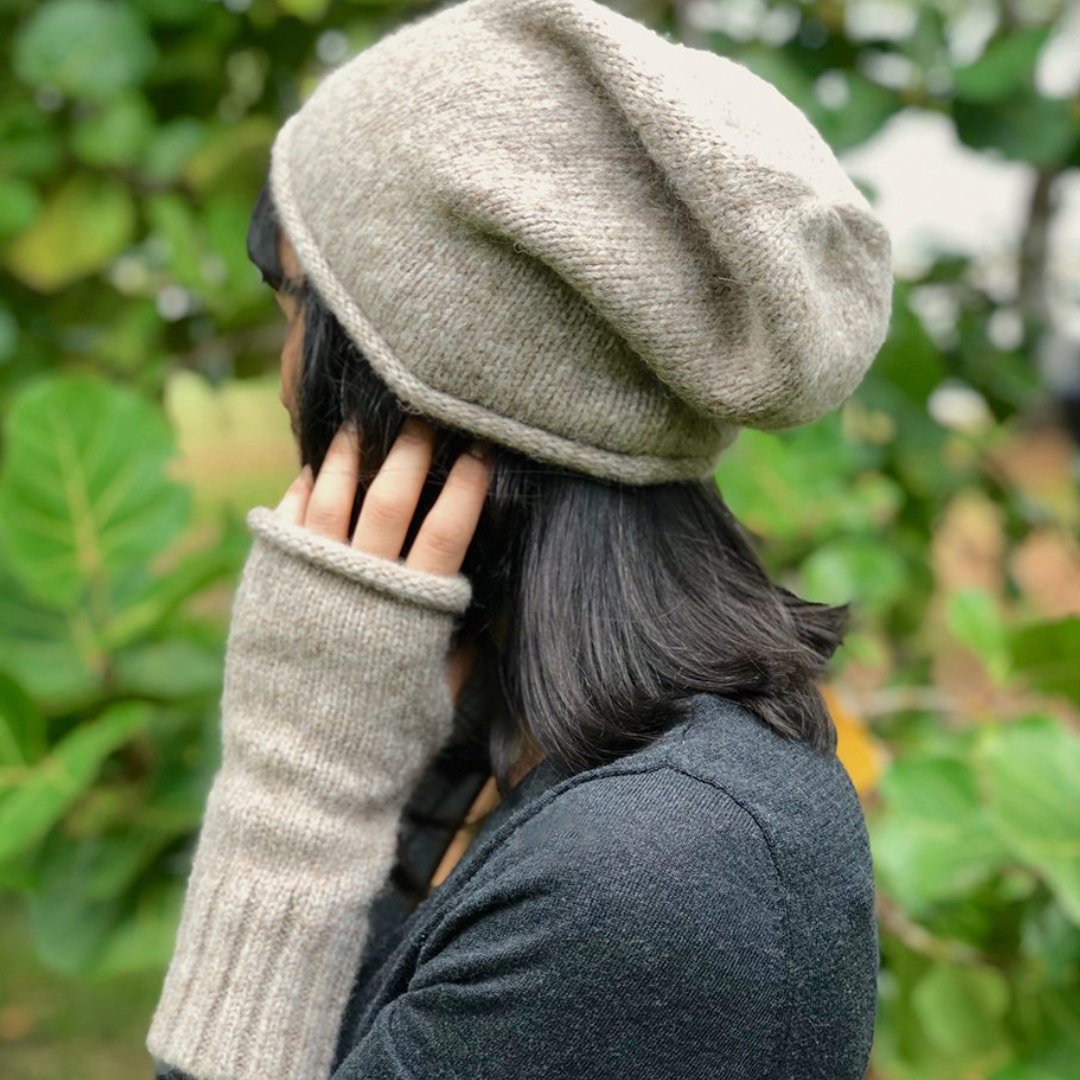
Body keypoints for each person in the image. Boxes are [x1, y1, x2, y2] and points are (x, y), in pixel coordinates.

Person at [145, 0, 894, 1077]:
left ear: (424, 388)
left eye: (299, 306)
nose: (279, 376)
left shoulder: (658, 875)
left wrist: (292, 796)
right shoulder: (495, 725)